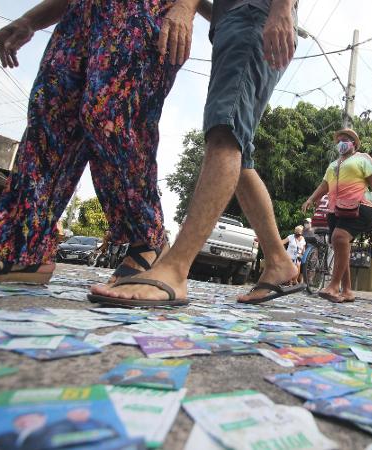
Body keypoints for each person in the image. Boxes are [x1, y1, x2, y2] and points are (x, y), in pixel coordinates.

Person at [0, 0, 209, 285]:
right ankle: (22, 249)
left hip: (148, 11)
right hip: (82, 13)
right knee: (49, 116)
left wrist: (186, 6)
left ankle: (148, 241)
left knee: (110, 116)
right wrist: (29, 19)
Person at [89, 0, 304, 306]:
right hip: (238, 18)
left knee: (224, 131)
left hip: (254, 12)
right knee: (238, 150)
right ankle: (278, 261)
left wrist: (281, 8)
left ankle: (175, 268)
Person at [301, 128, 372, 303]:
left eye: (345, 139)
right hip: (335, 210)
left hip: (361, 207)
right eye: (339, 140)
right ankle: (347, 291)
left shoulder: (362, 159)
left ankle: (333, 286)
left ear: (354, 143)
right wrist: (311, 199)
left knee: (339, 238)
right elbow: (324, 185)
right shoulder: (332, 165)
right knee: (340, 246)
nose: (341, 142)